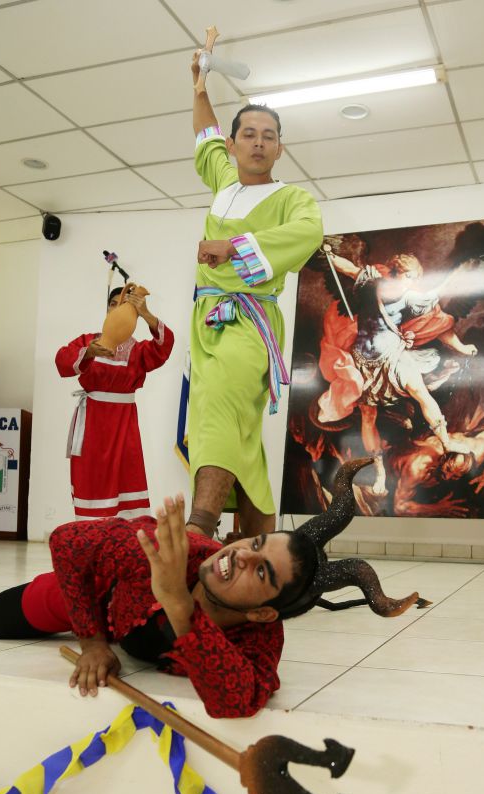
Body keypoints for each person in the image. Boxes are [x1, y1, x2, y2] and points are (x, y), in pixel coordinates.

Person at [0, 459, 418, 718]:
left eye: (261, 574)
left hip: (142, 634)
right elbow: (66, 541)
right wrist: (92, 641)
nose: (241, 556)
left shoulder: (260, 636)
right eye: (256, 543)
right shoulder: (172, 550)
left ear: (263, 613)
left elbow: (239, 699)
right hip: (103, 601)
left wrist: (177, 605)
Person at [186, 50, 324, 540]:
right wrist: (200, 87)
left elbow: (308, 233)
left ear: (280, 148)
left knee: (220, 409)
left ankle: (199, 530)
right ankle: (256, 539)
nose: (259, 142)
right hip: (206, 323)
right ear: (234, 144)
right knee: (232, 425)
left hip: (249, 321)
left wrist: (234, 247)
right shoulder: (223, 183)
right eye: (248, 134)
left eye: (269, 135)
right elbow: (205, 137)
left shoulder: (292, 198)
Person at [318, 253, 478, 494]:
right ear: (396, 273)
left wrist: (455, 277)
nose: (413, 282)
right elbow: (348, 268)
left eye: (416, 278)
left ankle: (446, 443)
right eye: (410, 276)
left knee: (421, 393)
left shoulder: (410, 297)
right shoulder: (370, 282)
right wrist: (330, 255)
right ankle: (379, 472)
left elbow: (437, 307)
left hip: (395, 357)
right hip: (364, 363)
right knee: (368, 416)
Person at [55, 286, 174, 519]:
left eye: (126, 305)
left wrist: (146, 313)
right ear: (107, 309)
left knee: (127, 476)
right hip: (93, 424)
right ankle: (91, 534)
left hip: (124, 425)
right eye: (113, 304)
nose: (118, 309)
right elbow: (61, 360)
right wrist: (88, 353)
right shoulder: (89, 341)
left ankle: (127, 536)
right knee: (92, 476)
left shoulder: (138, 350)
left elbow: (164, 345)